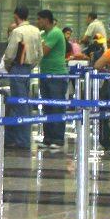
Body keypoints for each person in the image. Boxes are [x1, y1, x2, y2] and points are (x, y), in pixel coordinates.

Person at [1, 6, 44, 151]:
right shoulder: (36, 31)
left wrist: (9, 67)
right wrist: (31, 66)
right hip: (28, 70)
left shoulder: (17, 32)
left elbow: (10, 54)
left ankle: (22, 140)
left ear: (15, 16)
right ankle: (17, 138)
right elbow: (40, 54)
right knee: (25, 103)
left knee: (19, 105)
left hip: (17, 69)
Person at [35, 9, 69, 149]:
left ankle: (58, 139)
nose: (37, 22)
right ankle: (48, 138)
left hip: (57, 76)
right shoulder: (43, 34)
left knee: (57, 107)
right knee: (47, 107)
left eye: (39, 19)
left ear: (46, 19)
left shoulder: (56, 33)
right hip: (45, 74)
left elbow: (43, 51)